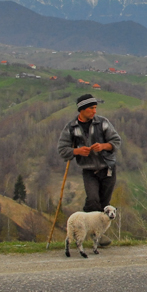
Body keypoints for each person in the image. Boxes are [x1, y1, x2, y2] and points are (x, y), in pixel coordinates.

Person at [57, 94, 122, 245]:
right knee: (93, 200)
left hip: (108, 168)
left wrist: (103, 146)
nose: (94, 111)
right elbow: (62, 149)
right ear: (82, 110)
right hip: (88, 170)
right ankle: (83, 229)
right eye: (91, 108)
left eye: (95, 108)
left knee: (104, 204)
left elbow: (116, 141)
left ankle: (97, 236)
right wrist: (77, 152)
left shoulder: (102, 123)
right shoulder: (71, 128)